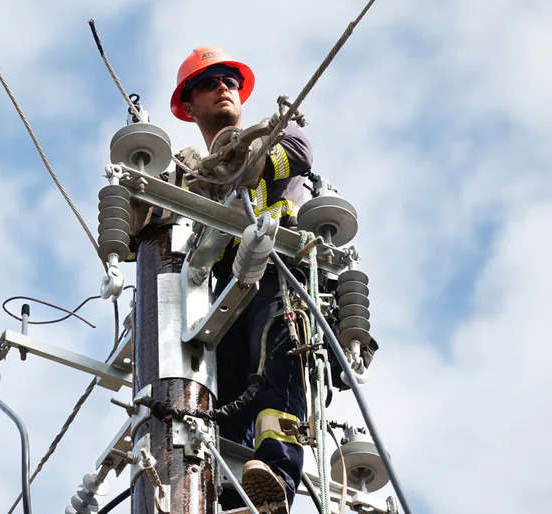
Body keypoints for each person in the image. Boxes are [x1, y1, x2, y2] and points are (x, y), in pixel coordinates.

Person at [171, 46, 314, 514]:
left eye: (229, 79)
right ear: (188, 106)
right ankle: (234, 497)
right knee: (219, 396)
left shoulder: (279, 134)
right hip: (225, 295)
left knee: (279, 354)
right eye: (209, 82)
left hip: (279, 272)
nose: (223, 87)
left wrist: (239, 159)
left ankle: (276, 476)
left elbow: (290, 157)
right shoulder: (188, 174)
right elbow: (155, 229)